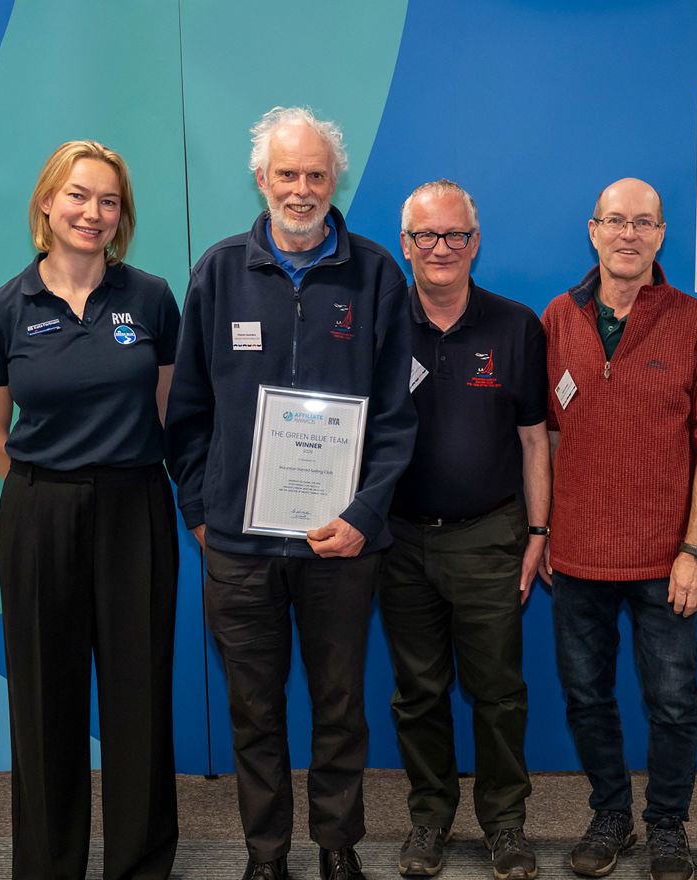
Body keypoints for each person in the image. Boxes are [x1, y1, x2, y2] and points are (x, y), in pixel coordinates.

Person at [164, 106, 416, 880]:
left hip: (341, 544)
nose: (300, 189)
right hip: (239, 547)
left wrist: (364, 514)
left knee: (339, 706)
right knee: (253, 709)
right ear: (261, 178)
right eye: (286, 174)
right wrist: (202, 512)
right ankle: (266, 855)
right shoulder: (218, 272)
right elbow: (188, 413)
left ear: (335, 180)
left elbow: (396, 418)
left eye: (315, 174)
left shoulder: (376, 275)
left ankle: (338, 847)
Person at [0, 140, 180, 880]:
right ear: (47, 204)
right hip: (40, 513)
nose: (93, 212)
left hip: (134, 507)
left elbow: (167, 410)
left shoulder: (151, 298)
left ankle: (139, 864)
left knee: (138, 693)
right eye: (79, 196)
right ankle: (49, 865)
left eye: (109, 201)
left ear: (123, 217)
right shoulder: (1, 310)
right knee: (44, 696)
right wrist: (48, 497)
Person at [542, 178, 697, 880]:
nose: (629, 234)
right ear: (593, 230)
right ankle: (611, 814)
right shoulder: (557, 317)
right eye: (616, 221)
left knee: (674, 703)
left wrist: (696, 550)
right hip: (577, 555)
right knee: (586, 696)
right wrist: (546, 530)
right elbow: (547, 434)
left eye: (643, 222)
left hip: (667, 559)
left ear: (661, 234)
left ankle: (668, 826)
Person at [381, 179, 549, 880]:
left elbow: (535, 438)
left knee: (498, 691)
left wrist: (538, 532)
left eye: (454, 235)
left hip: (489, 535)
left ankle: (505, 824)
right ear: (405, 244)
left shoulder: (516, 325)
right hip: (397, 539)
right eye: (426, 235)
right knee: (417, 692)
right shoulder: (379, 323)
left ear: (475, 243)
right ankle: (429, 818)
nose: (440, 248)